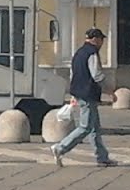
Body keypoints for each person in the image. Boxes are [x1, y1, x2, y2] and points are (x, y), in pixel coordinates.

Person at [50, 28, 117, 168]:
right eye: (101, 39)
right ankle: (61, 147)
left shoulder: (79, 53)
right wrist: (109, 91)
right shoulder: (92, 53)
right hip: (88, 93)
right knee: (86, 127)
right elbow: (96, 75)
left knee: (95, 128)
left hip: (79, 91)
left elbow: (72, 73)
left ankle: (102, 157)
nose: (102, 42)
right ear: (95, 39)